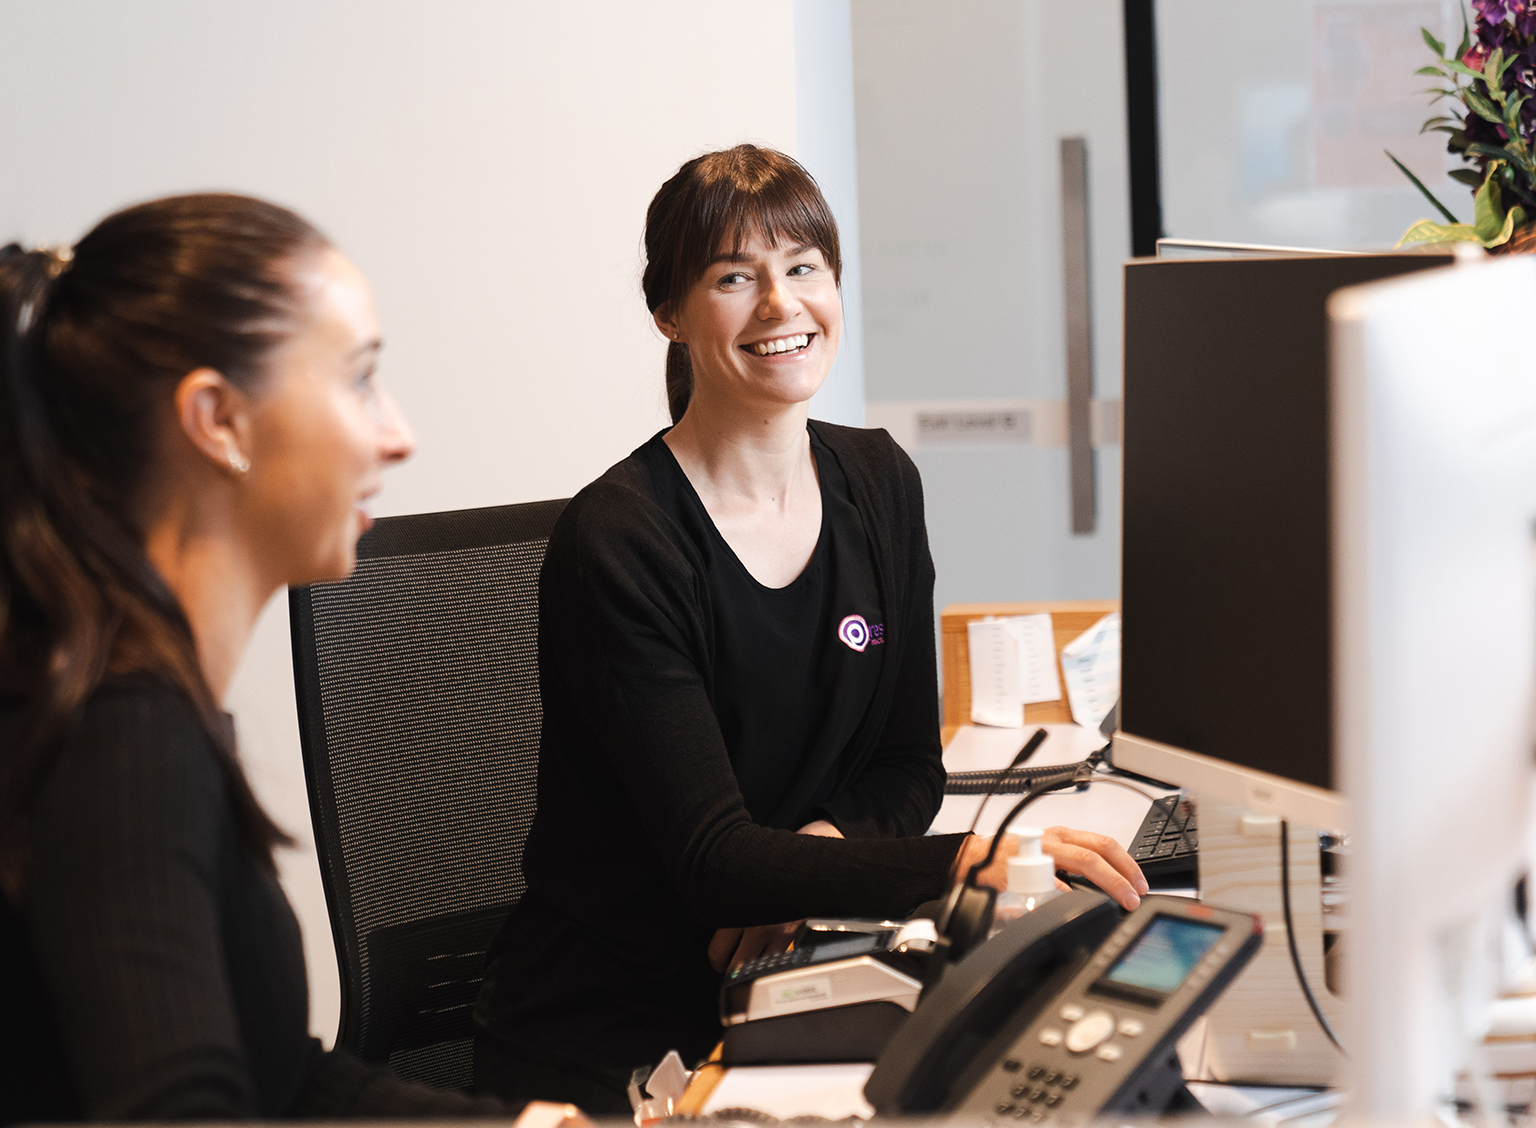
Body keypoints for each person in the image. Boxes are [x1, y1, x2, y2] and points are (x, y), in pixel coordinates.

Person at [471, 145, 1149, 1112]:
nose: (781, 305)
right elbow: (715, 861)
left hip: (797, 977)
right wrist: (980, 862)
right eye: (733, 278)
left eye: (803, 269)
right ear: (669, 314)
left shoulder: (878, 483)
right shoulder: (620, 540)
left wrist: (810, 866)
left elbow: (909, 766)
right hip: (613, 1031)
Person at [0, 195, 581, 1126]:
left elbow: (281, 1076)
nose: (399, 434)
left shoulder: (145, 703)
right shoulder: (122, 739)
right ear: (219, 419)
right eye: (359, 380)